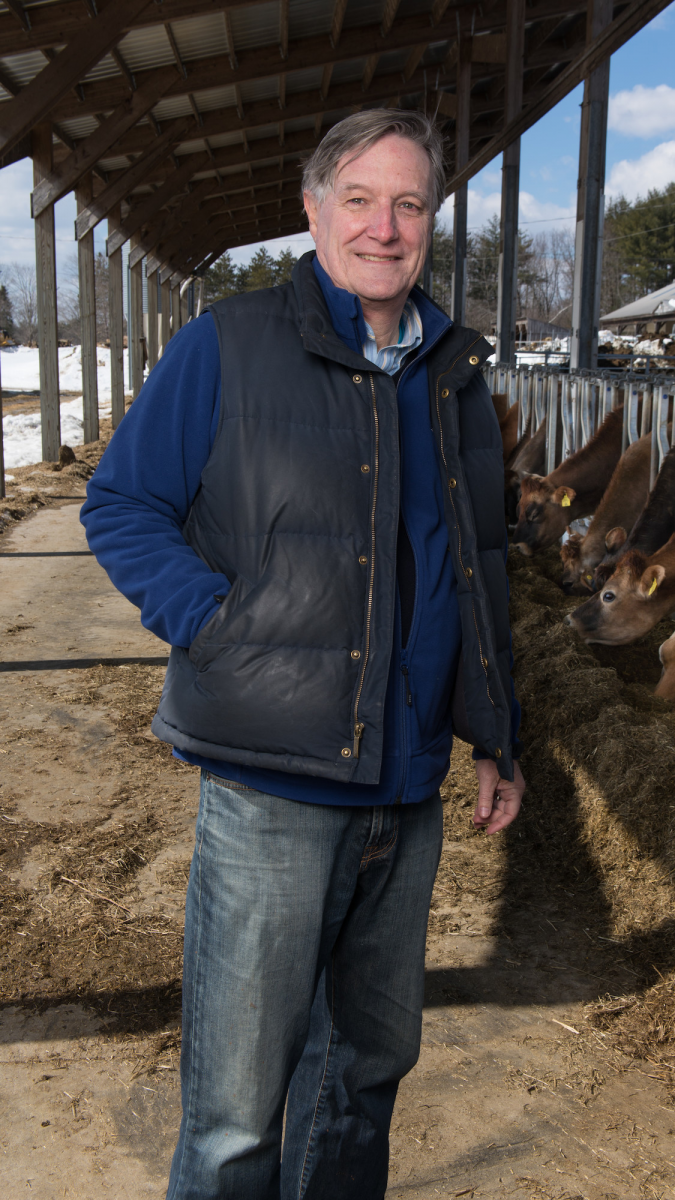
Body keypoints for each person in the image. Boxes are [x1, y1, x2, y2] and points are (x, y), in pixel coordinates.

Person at [81, 109, 525, 1200]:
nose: (387, 226)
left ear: (430, 223)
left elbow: (473, 565)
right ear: (314, 209)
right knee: (237, 1112)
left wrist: (494, 734)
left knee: (364, 1075)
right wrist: (213, 623)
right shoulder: (229, 345)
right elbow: (123, 502)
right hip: (272, 782)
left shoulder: (454, 376)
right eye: (362, 199)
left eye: (410, 203)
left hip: (406, 783)